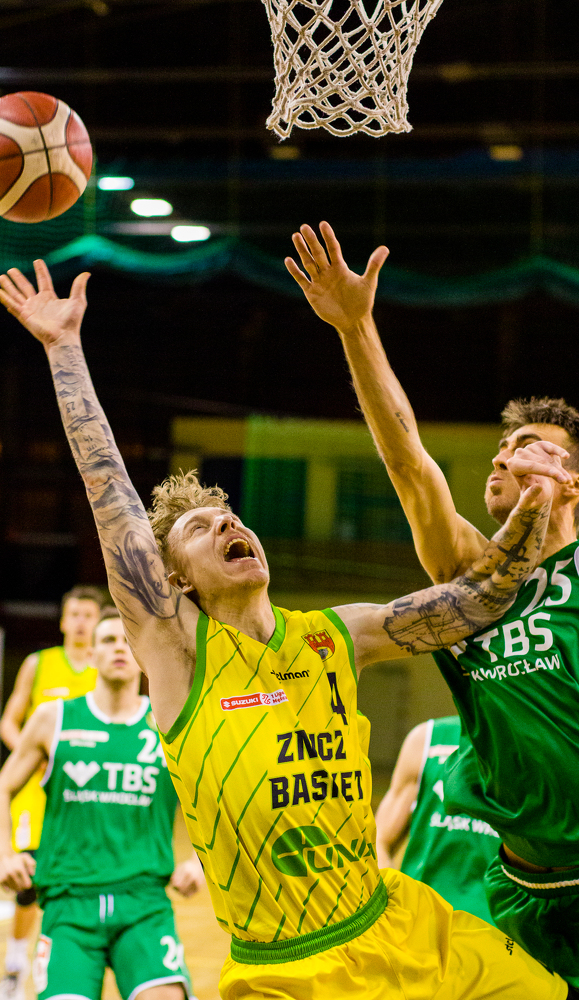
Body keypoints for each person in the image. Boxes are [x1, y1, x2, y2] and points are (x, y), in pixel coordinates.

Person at [0, 258, 573, 1000]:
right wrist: (62, 348)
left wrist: (537, 502)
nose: (227, 524)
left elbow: (483, 596)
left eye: (231, 516)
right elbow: (107, 487)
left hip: (395, 924)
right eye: (200, 529)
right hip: (284, 964)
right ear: (174, 581)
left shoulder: (338, 634)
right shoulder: (177, 652)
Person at [285, 220, 579, 985]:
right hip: (520, 887)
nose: (501, 457)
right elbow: (407, 460)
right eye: (499, 449)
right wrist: (354, 328)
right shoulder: (470, 577)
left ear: (572, 481)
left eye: (526, 447)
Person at [0, 607, 202, 1000]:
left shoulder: (168, 723)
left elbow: (218, 801)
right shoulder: (54, 719)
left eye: (127, 640)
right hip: (69, 906)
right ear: (91, 654)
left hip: (144, 905)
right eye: (108, 640)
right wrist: (4, 854)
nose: (118, 647)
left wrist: (201, 863)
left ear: (142, 653)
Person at [0, 584, 102, 1000]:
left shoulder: (109, 665)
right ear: (62, 621)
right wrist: (32, 751)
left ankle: (66, 964)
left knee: (78, 883)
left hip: (89, 794)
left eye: (88, 616)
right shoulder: (38, 663)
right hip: (37, 793)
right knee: (28, 883)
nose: (81, 623)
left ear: (98, 621)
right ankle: (14, 966)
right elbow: (9, 722)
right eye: (74, 614)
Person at [375, 715, 499, 924]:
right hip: (418, 919)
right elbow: (378, 839)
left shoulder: (534, 745)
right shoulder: (426, 738)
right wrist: (390, 905)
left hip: (495, 926)